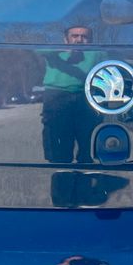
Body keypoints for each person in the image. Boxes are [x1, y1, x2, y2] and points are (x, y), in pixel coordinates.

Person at [40, 24, 103, 163]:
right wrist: (64, 49)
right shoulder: (54, 52)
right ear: (66, 39)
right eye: (74, 36)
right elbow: (38, 50)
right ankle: (60, 169)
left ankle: (86, 169)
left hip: (87, 96)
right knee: (58, 137)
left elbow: (110, 66)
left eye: (84, 37)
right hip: (56, 95)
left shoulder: (97, 53)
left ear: (91, 40)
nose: (79, 40)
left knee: (87, 137)